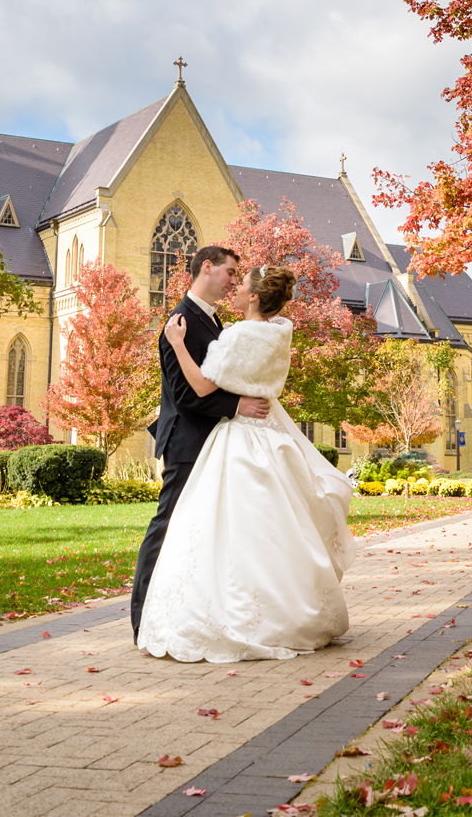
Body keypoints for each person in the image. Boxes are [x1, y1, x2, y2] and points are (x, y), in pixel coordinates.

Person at [136, 264, 357, 661]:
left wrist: (178, 343)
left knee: (224, 527)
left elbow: (201, 385)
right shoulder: (279, 332)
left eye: (241, 285)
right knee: (273, 527)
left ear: (254, 296)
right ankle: (288, 611)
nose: (235, 290)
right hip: (270, 440)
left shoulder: (239, 333)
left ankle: (232, 613)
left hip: (238, 438)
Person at [130, 245, 272, 640]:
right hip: (187, 444)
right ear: (206, 268)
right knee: (167, 527)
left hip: (214, 442)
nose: (232, 281)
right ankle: (142, 618)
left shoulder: (211, 321)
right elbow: (185, 395)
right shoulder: (180, 321)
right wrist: (238, 404)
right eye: (229, 272)